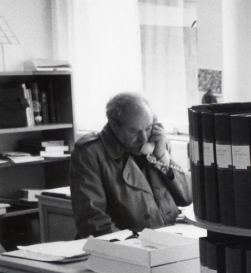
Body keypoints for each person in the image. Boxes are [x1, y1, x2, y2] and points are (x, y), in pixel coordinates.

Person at [70, 92, 191, 238]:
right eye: (135, 131)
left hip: (168, 240)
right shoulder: (90, 153)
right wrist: (134, 246)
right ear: (114, 125)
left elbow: (186, 198)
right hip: (128, 247)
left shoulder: (156, 143)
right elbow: (93, 221)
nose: (144, 138)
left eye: (148, 128)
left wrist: (162, 157)